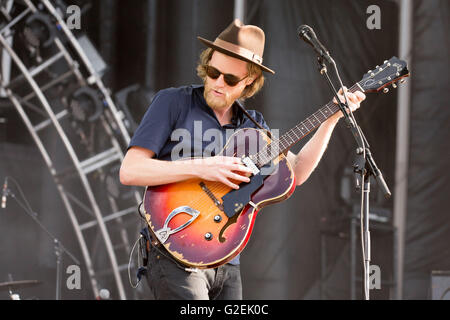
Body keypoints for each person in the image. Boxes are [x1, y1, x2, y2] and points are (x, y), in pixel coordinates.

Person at [120, 19, 366, 300]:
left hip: (227, 259)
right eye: (213, 72)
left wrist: (331, 118)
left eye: (230, 79)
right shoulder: (173, 102)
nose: (217, 83)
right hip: (175, 253)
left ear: (249, 81)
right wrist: (205, 167)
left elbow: (296, 172)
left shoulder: (253, 126)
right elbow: (130, 170)